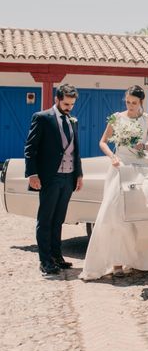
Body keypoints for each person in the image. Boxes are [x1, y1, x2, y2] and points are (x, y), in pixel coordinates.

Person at [79, 85, 148, 280]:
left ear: (141, 103)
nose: (130, 106)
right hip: (118, 167)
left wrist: (144, 146)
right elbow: (103, 141)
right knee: (113, 214)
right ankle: (115, 263)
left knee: (135, 215)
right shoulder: (116, 117)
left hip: (137, 168)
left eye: (134, 103)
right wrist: (112, 157)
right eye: (128, 102)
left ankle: (136, 260)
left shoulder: (147, 119)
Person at [25, 84, 84, 276]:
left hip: (68, 177)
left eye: (72, 104)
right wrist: (32, 174)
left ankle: (57, 257)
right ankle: (45, 261)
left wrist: (79, 174)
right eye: (66, 103)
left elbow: (76, 150)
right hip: (50, 177)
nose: (69, 107)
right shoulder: (42, 118)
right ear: (57, 99)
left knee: (58, 219)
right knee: (46, 220)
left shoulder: (72, 121)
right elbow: (30, 148)